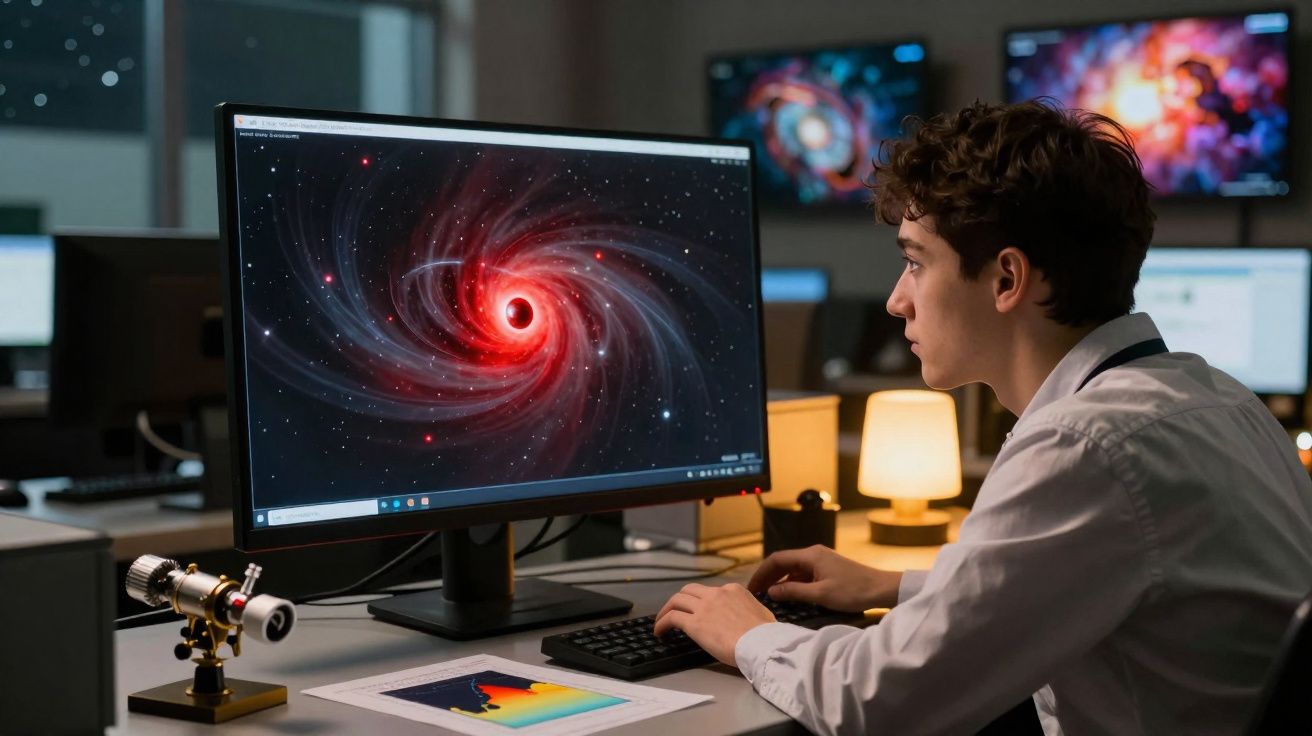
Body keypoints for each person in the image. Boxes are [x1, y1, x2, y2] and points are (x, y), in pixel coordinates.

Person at [652, 99, 1312, 735]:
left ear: (1007, 280)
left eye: (915, 262)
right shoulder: (1216, 398)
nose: (895, 301)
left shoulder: (1084, 445)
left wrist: (750, 634)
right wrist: (899, 585)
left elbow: (877, 704)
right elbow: (1101, 575)